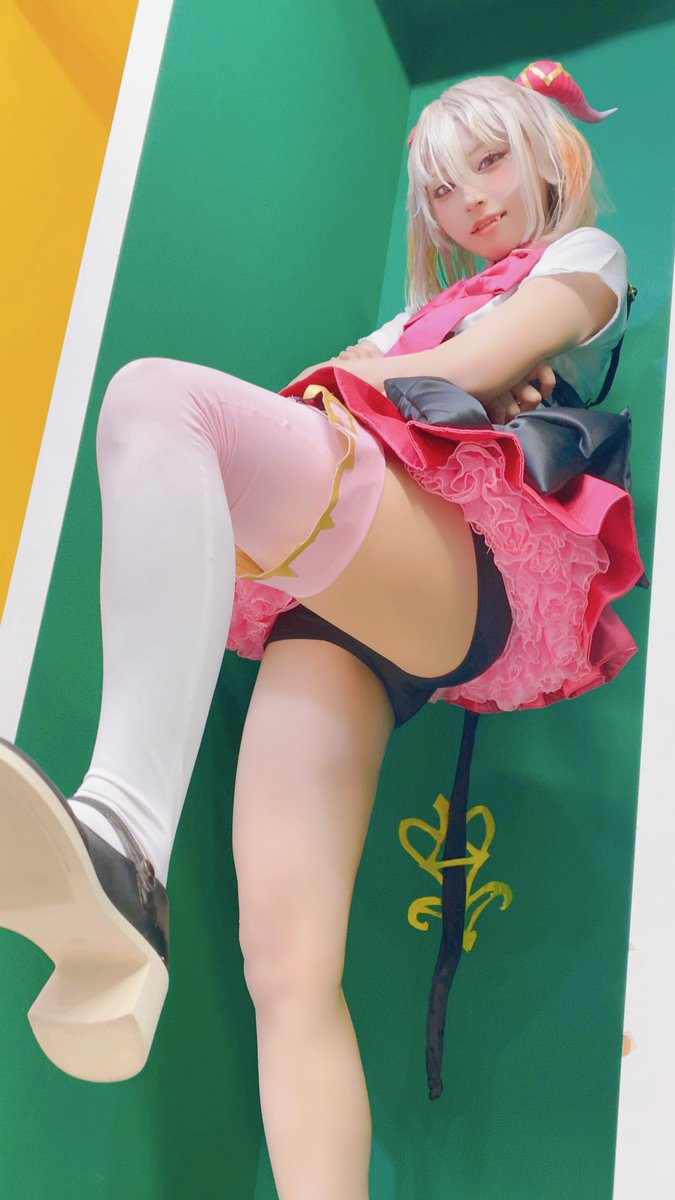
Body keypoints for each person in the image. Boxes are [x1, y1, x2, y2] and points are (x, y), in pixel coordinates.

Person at [0, 59, 644, 1200]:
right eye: (440, 189)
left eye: (489, 162)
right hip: (347, 603)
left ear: (548, 157)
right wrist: (398, 372)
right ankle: (121, 916)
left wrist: (390, 373)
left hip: (457, 561)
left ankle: (123, 835)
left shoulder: (581, 257)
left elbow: (459, 370)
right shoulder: (416, 314)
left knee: (158, 400)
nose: (468, 200)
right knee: (284, 964)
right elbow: (411, 381)